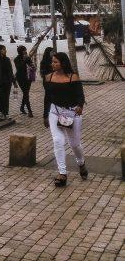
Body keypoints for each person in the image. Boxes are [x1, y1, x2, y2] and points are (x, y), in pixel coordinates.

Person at [43, 51, 87, 187]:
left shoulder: (72, 77)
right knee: (58, 140)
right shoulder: (48, 77)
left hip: (72, 112)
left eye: (56, 62)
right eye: (52, 62)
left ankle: (81, 163)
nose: (53, 64)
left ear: (63, 63)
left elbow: (80, 95)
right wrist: (45, 115)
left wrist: (80, 106)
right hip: (55, 111)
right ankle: (62, 173)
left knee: (74, 144)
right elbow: (47, 98)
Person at [0, 44, 15, 119]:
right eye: (4, 49)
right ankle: (0, 109)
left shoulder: (7, 59)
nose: (5, 50)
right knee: (1, 97)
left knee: (6, 97)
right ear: (0, 50)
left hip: (7, 82)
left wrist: (14, 82)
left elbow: (10, 71)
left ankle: (5, 112)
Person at [13, 44, 35, 117]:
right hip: (20, 78)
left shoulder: (27, 58)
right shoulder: (16, 59)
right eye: (24, 50)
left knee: (26, 93)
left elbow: (30, 64)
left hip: (28, 77)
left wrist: (32, 66)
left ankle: (22, 107)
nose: (25, 51)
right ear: (21, 52)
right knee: (26, 93)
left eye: (25, 50)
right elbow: (19, 68)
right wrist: (25, 60)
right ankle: (30, 111)